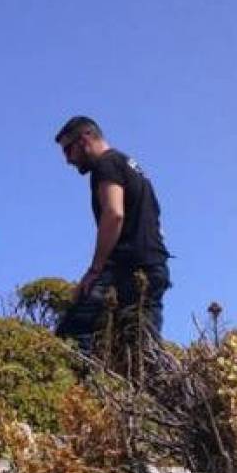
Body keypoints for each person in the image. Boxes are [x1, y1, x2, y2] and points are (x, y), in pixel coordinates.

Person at [52, 116, 171, 355]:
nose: (67, 159)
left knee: (74, 334)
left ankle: (80, 391)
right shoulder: (130, 165)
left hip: (126, 269)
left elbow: (114, 213)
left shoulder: (107, 165)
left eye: (68, 149)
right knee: (137, 348)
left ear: (85, 139)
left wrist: (95, 270)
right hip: (154, 266)